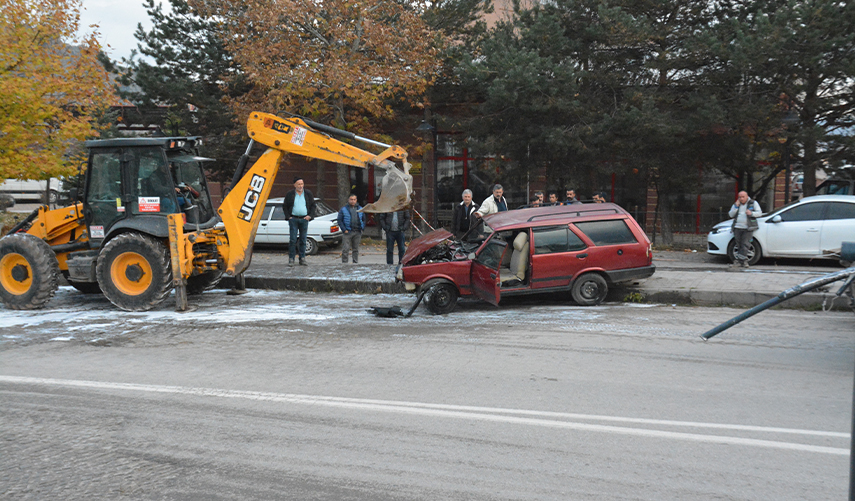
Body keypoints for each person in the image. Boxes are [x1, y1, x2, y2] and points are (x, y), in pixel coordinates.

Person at [283, 176, 316, 266]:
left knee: (303, 240)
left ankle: (302, 258)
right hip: (293, 219)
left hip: (304, 219)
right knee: (293, 240)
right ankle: (291, 259)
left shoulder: (308, 193)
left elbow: (313, 205)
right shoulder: (290, 194)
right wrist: (288, 217)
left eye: (302, 184)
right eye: (299, 184)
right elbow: (285, 206)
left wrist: (310, 216)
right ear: (294, 185)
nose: (301, 186)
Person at [728, 190, 762, 269]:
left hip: (748, 228)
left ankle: (740, 261)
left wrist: (752, 213)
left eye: (743, 197)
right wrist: (736, 207)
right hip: (737, 227)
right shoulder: (737, 204)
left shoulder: (753, 203)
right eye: (740, 197)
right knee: (739, 245)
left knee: (745, 244)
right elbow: (731, 214)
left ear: (747, 197)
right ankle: (743, 261)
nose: (741, 199)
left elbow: (759, 213)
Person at [337, 194, 365, 264]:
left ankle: (355, 263)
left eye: (354, 199)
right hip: (348, 232)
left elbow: (364, 219)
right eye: (351, 199)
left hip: (357, 231)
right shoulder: (343, 209)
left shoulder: (360, 209)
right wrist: (344, 230)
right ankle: (345, 263)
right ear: (348, 200)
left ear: (356, 200)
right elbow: (339, 220)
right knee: (345, 249)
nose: (353, 201)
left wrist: (362, 228)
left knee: (355, 249)